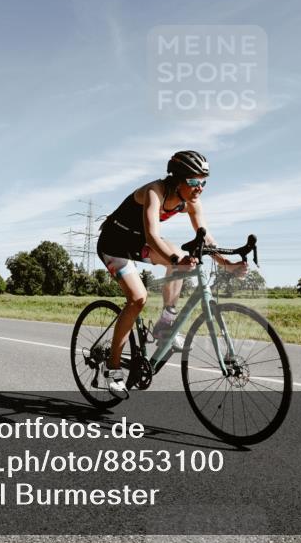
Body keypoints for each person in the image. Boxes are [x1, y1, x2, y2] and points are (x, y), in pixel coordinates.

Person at [95, 150, 247, 396]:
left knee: (179, 261)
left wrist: (226, 264)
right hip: (114, 243)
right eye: (194, 181)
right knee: (138, 298)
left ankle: (165, 324)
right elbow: (152, 237)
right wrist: (177, 259)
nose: (199, 188)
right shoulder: (154, 191)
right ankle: (113, 369)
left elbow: (206, 238)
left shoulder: (192, 202)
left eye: (204, 182)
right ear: (177, 179)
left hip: (137, 243)